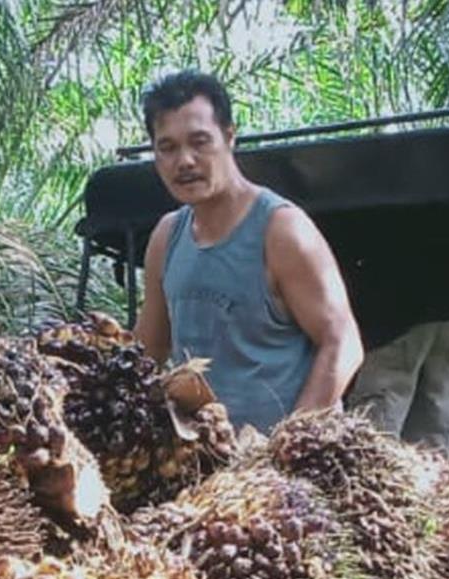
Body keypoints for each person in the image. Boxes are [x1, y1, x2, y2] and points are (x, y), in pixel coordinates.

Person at [133, 70, 363, 434]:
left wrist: (285, 445)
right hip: (206, 466)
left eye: (199, 141)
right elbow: (146, 353)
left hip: (289, 473)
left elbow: (344, 343)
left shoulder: (282, 230)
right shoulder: (167, 238)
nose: (185, 161)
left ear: (229, 136)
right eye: (168, 147)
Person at [343, 213, 449, 455]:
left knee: (376, 429)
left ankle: (376, 487)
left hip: (398, 308)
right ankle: (432, 490)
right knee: (436, 423)